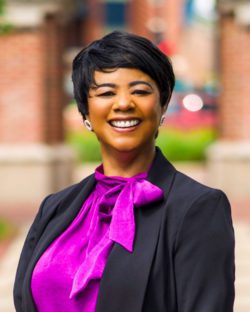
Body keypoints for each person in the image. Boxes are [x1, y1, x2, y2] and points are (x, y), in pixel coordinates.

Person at [13, 31, 235, 312]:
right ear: (85, 113)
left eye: (140, 91)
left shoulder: (198, 208)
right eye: (106, 92)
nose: (123, 103)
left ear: (163, 104)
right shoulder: (55, 208)